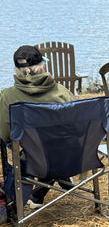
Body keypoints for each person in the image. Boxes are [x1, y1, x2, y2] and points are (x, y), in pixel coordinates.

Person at [0, 45, 75, 208]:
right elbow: (77, 127)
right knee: (52, 146)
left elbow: (4, 135)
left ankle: (33, 194)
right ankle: (55, 181)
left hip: (33, 161)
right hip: (73, 158)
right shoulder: (61, 92)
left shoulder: (9, 97)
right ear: (42, 66)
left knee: (34, 150)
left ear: (17, 70)